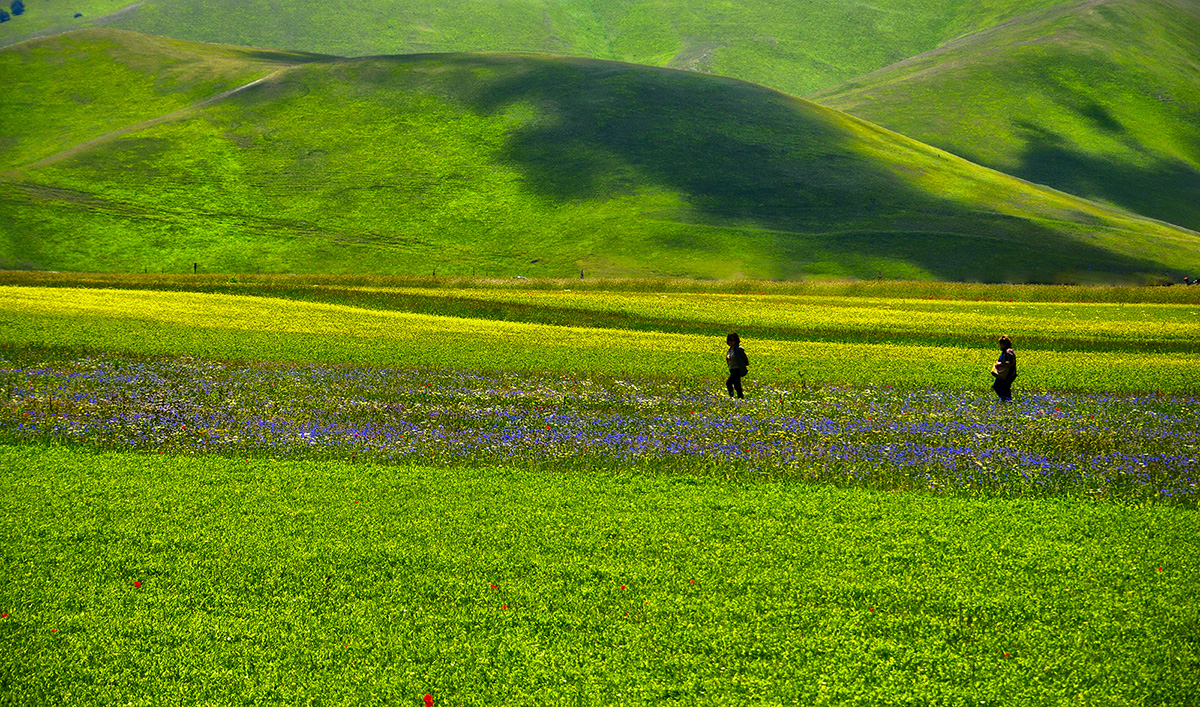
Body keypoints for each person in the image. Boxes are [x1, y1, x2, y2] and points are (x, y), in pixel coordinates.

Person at [991, 335, 1017, 402]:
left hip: (1008, 374)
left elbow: (1010, 362)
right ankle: (1007, 401)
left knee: (997, 386)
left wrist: (1000, 364)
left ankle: (1005, 400)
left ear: (1003, 344)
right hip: (1007, 374)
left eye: (1000, 344)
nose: (1000, 346)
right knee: (1005, 387)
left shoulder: (1008, 351)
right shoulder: (1007, 350)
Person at [725, 332, 749, 399]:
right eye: (729, 340)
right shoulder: (730, 349)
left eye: (732, 340)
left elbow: (745, 359)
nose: (731, 342)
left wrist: (745, 367)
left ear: (736, 340)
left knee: (729, 383)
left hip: (737, 369)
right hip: (732, 369)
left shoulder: (739, 349)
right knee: (737, 385)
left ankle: (732, 396)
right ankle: (740, 397)